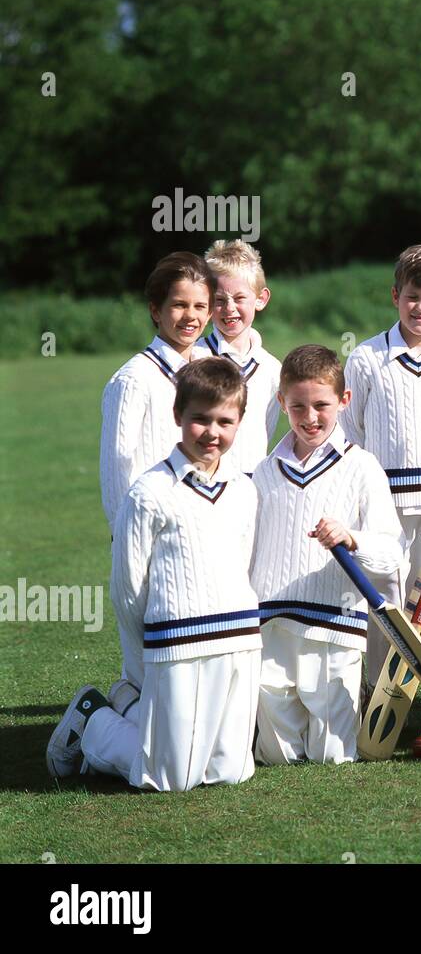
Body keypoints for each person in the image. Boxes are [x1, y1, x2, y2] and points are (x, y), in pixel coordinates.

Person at [49, 358, 260, 790]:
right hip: (175, 642)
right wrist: (142, 654)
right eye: (200, 419)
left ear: (239, 422)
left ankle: (129, 705)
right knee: (169, 777)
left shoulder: (244, 489)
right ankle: (93, 718)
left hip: (238, 638)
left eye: (225, 421)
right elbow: (127, 588)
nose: (212, 432)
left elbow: (241, 561)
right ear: (178, 416)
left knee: (229, 771)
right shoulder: (148, 492)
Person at [251, 346, 404, 764]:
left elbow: (391, 553)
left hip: (335, 625)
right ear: (281, 403)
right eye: (297, 406)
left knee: (332, 755)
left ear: (344, 400)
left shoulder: (363, 466)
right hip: (273, 624)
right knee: (277, 754)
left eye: (321, 405)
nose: (310, 417)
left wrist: (352, 538)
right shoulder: (265, 471)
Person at [343, 245, 421, 684]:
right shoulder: (366, 358)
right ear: (396, 295)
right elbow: (350, 434)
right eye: (413, 296)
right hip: (384, 512)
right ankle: (379, 693)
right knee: (386, 604)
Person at [100, 252, 214, 529]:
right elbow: (117, 473)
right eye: (179, 305)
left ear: (210, 313)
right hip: (151, 530)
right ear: (155, 310)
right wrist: (129, 537)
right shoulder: (133, 379)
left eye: (200, 306)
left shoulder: (209, 370)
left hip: (200, 527)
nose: (191, 316)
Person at [201, 239, 281, 474]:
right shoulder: (195, 358)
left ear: (261, 299)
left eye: (239, 298)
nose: (230, 308)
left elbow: (266, 428)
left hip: (252, 489)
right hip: (204, 487)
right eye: (219, 300)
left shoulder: (271, 368)